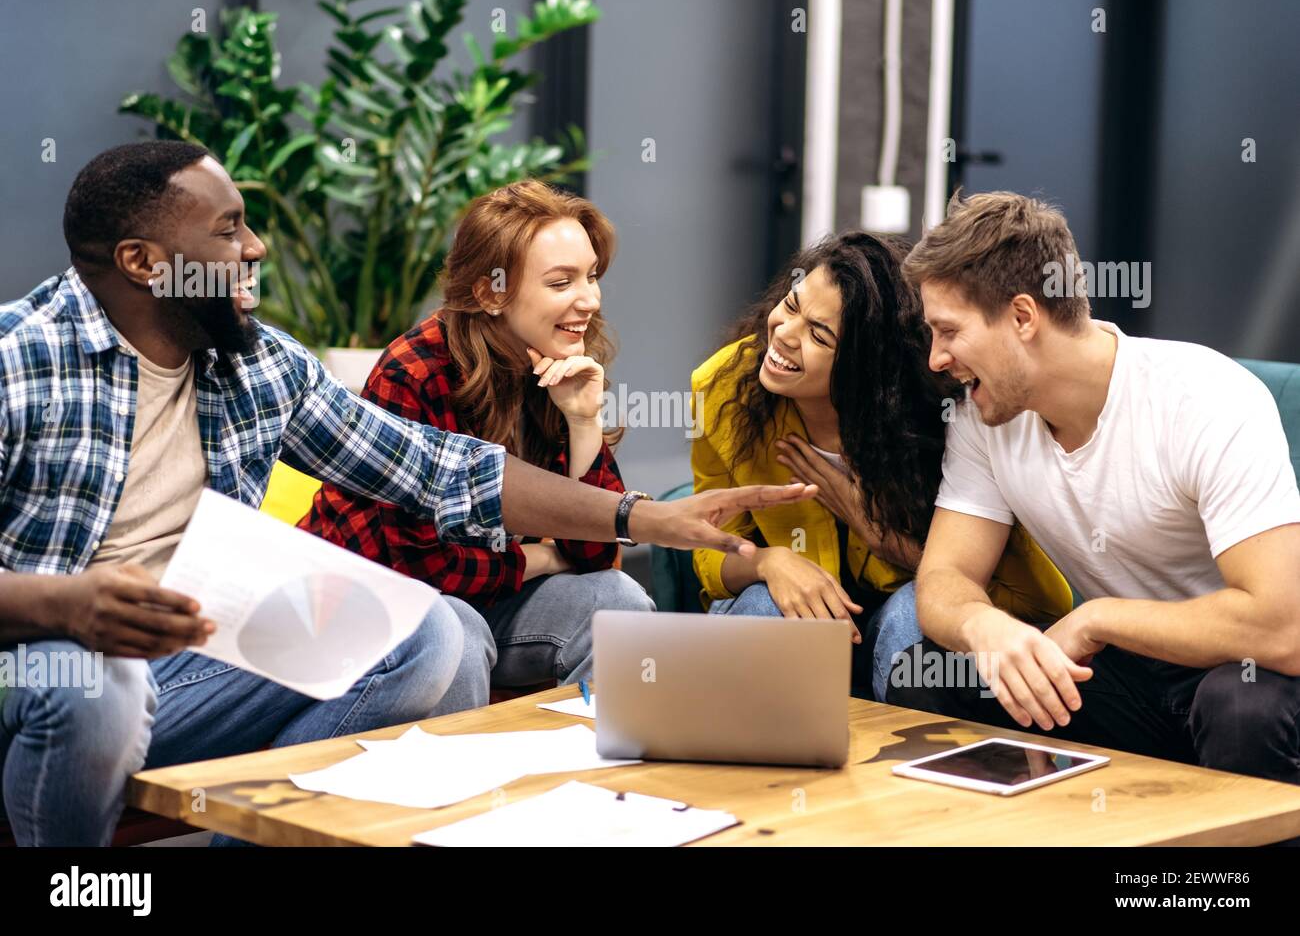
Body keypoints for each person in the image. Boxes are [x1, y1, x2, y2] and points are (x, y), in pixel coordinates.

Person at [0, 141, 814, 846]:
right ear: (145, 262)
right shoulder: (18, 363)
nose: (256, 245)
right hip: (42, 661)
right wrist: (67, 606)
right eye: (228, 229)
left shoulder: (257, 363)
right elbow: (423, 549)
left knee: (426, 634)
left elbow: (437, 468)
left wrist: (638, 514)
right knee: (98, 686)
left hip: (201, 658)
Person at [886, 190, 1300, 785]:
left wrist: (1097, 618)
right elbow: (945, 581)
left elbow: (1279, 626)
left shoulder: (1206, 399)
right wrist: (987, 628)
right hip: (1130, 676)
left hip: (1245, 670)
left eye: (948, 331)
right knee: (926, 672)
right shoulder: (982, 419)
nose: (935, 359)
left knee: (1240, 708)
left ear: (1023, 318)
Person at [691, 231, 1072, 699]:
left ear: (864, 366)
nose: (784, 335)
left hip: (899, 633)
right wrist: (771, 561)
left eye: (818, 334)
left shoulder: (946, 421)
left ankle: (912, 763)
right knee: (764, 603)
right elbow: (708, 548)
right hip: (805, 627)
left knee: (914, 612)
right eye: (790, 307)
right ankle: (753, 757)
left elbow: (1030, 597)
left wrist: (869, 523)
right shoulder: (724, 389)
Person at [302, 181, 652, 689]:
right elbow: (425, 569)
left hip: (493, 596)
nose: (590, 301)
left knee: (618, 601)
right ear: (491, 291)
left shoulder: (559, 359)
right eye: (561, 283)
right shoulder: (415, 370)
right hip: (374, 606)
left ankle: (595, 765)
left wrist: (582, 422)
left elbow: (597, 554)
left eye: (592, 277)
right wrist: (544, 556)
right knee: (457, 630)